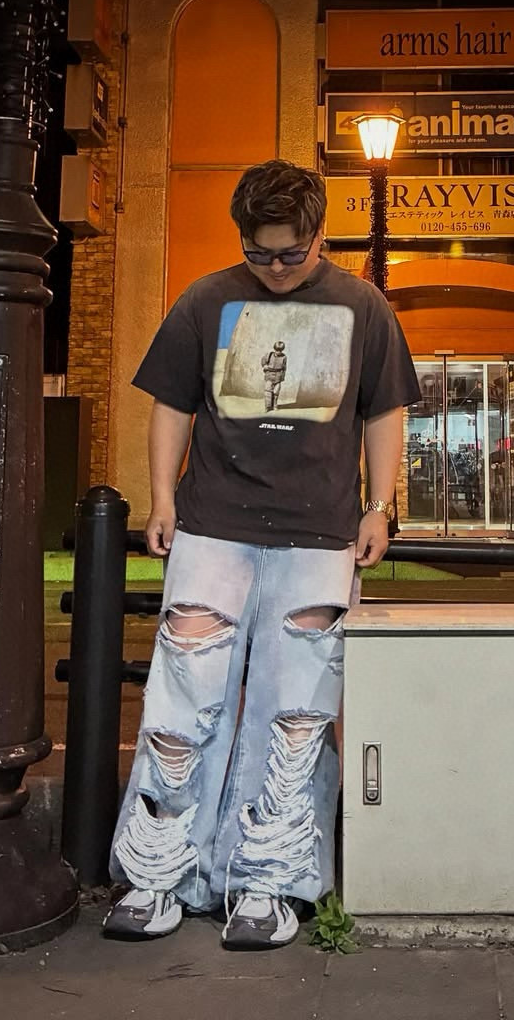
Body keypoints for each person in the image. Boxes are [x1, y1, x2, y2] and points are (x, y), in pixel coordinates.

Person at [102, 159, 421, 949]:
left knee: (297, 710)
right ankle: (158, 873)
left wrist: (380, 506)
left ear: (320, 234)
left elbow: (384, 412)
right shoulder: (205, 300)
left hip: (320, 530)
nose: (275, 268)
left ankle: (270, 881)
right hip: (213, 522)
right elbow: (172, 406)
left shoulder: (362, 305)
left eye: (291, 254)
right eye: (259, 253)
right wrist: (163, 498)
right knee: (182, 695)